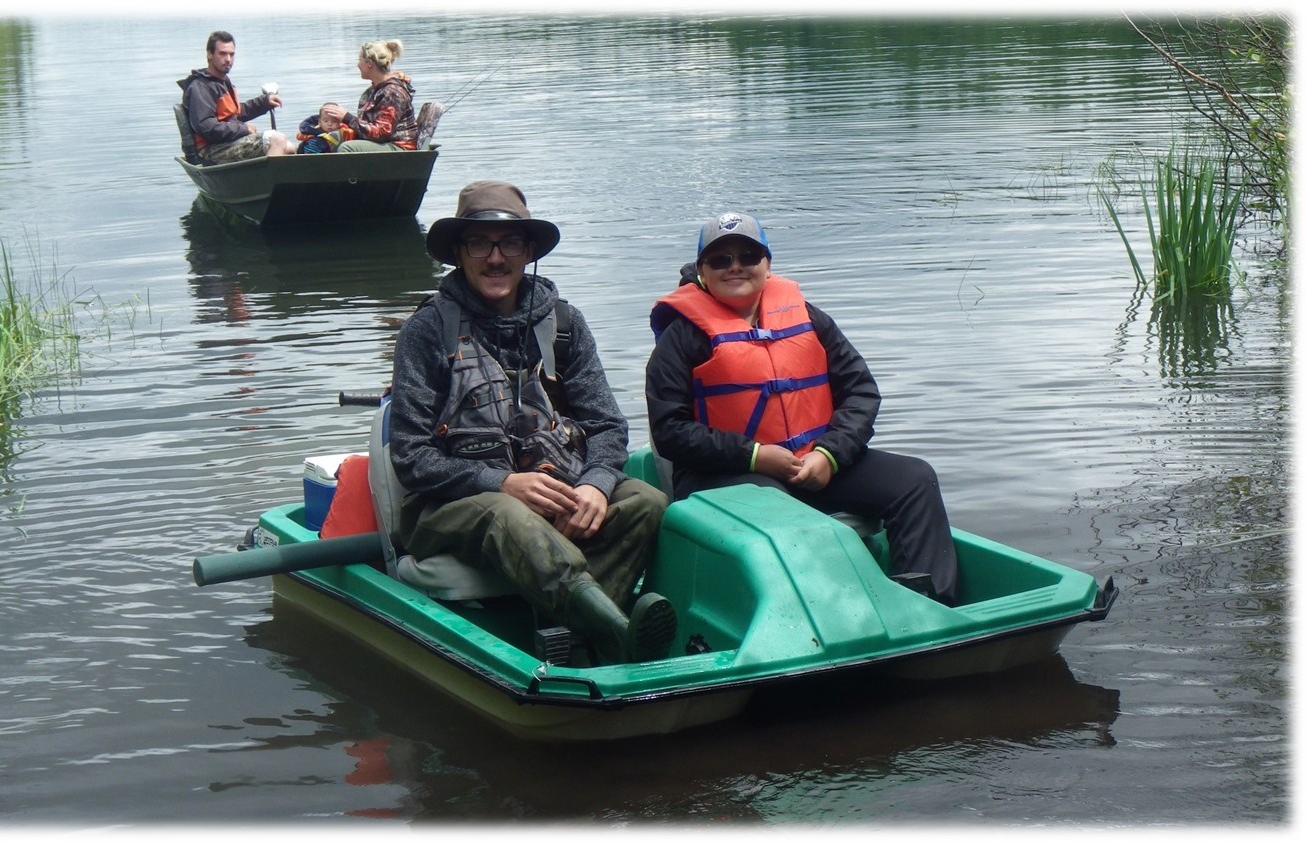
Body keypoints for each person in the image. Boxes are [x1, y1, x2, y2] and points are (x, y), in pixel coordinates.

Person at [387, 181, 675, 664]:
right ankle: (617, 634)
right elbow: (411, 457)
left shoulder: (565, 324)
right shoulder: (427, 330)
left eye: (510, 244)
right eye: (479, 243)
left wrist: (597, 486)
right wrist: (501, 482)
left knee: (645, 500)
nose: (495, 258)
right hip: (450, 507)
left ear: (530, 250)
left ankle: (568, 635)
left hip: (555, 485)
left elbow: (606, 425)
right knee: (509, 513)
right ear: (459, 252)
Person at [645, 212, 960, 605]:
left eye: (748, 255)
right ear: (703, 271)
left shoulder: (809, 318)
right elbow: (670, 430)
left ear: (768, 264)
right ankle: (818, 619)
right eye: (720, 260)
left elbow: (861, 392)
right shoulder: (681, 338)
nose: (736, 266)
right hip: (724, 474)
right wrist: (756, 456)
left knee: (915, 478)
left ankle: (929, 603)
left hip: (813, 462)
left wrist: (830, 453)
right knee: (778, 507)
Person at [178, 30, 296, 164]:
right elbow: (206, 126)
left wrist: (265, 102)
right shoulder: (201, 87)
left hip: (227, 143)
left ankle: (286, 182)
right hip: (210, 150)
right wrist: (243, 129)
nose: (228, 59)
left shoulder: (222, 82)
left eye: (231, 54)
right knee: (277, 140)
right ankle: (271, 184)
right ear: (210, 54)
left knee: (290, 147)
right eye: (222, 53)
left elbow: (237, 112)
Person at [322, 39, 417, 153]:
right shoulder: (373, 91)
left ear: (369, 63)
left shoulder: (392, 93)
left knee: (347, 148)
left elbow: (381, 133)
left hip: (399, 147)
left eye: (359, 60)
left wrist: (347, 117)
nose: (358, 65)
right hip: (383, 144)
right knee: (332, 138)